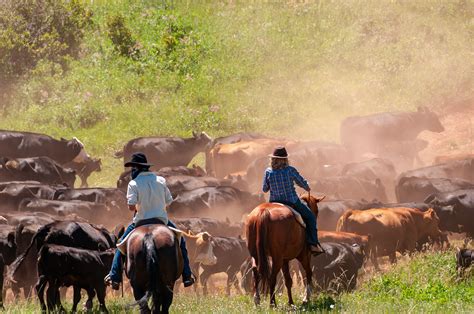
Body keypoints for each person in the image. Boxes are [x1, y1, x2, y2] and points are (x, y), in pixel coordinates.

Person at [104, 152, 194, 289]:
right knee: (181, 241)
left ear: (136, 168)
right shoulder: (161, 180)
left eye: (132, 168)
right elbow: (169, 201)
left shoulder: (133, 183)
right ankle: (187, 275)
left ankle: (114, 276)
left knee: (121, 245)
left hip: (140, 221)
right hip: (161, 220)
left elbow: (131, 207)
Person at [262, 146, 324, 254]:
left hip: (274, 202)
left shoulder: (268, 171)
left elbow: (265, 189)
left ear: (273, 159)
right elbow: (302, 182)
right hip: (292, 201)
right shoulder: (290, 170)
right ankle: (313, 243)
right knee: (310, 218)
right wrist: (307, 187)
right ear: (285, 159)